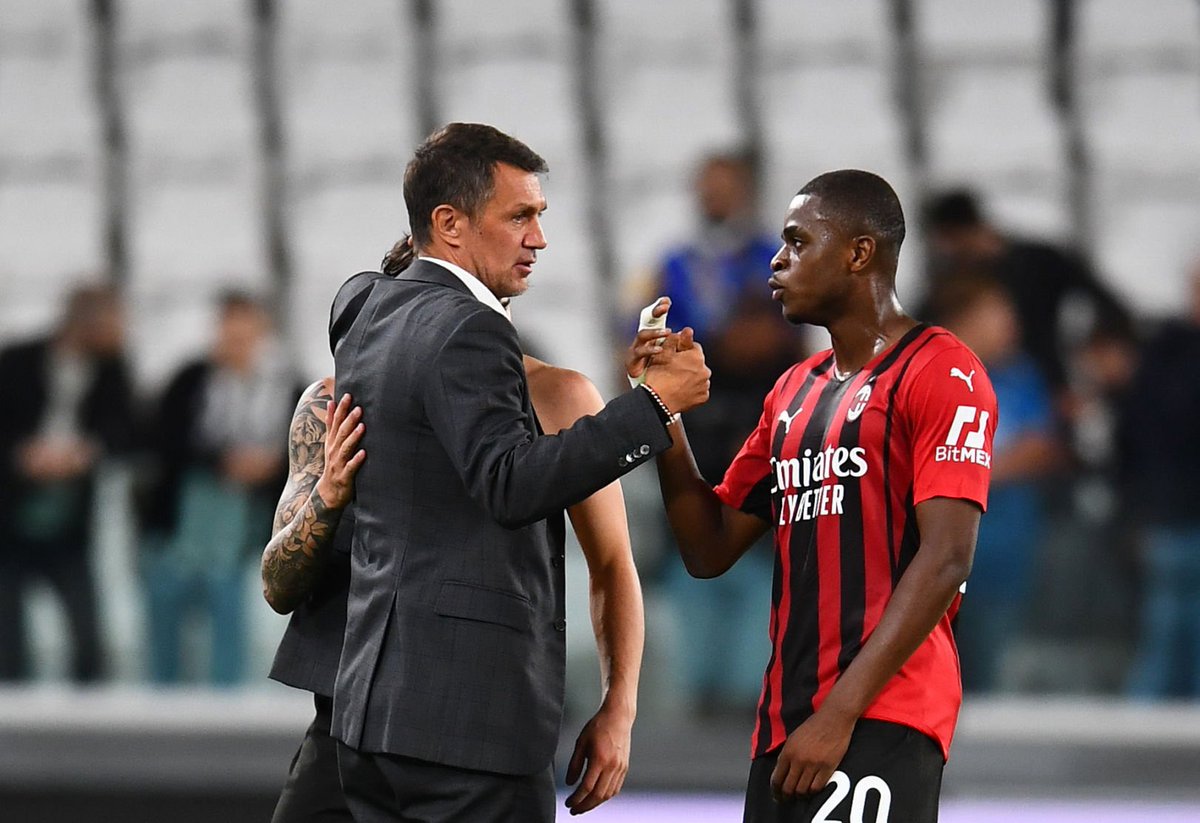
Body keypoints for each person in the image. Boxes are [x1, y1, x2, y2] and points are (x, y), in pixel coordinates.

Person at [330, 123, 710, 822]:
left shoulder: (361, 306)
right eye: (519, 217)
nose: (539, 238)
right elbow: (509, 483)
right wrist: (654, 406)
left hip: (368, 718)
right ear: (449, 224)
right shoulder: (472, 331)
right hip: (467, 728)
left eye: (540, 215)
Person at [629, 170, 996, 822]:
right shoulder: (792, 391)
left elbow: (946, 558)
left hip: (881, 717)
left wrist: (839, 713)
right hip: (787, 725)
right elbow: (708, 547)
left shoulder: (943, 370)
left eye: (798, 242)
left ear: (859, 253)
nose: (776, 261)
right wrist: (662, 411)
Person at [264, 243, 650, 821]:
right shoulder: (332, 404)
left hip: (481, 723)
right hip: (351, 721)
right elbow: (277, 585)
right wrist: (328, 494)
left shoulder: (559, 397)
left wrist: (619, 708)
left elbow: (613, 562)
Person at [646, 153, 801, 716]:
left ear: (746, 191)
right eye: (705, 187)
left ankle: (746, 702)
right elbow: (645, 340)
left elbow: (788, 341)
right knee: (692, 578)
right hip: (695, 441)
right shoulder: (673, 263)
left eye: (723, 187)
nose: (712, 198)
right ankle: (695, 704)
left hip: (762, 444)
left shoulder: (774, 258)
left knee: (758, 587)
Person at [140, 291, 297, 685]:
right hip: (180, 528)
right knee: (165, 629)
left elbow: (304, 451)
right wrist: (222, 461)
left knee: (230, 626)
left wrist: (269, 466)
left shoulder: (287, 387)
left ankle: (226, 703)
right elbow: (163, 441)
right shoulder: (190, 380)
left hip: (242, 530)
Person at [931, 275, 1059, 693]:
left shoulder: (1021, 376)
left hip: (1005, 560)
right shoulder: (929, 376)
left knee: (994, 682)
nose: (1011, 326)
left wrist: (968, 474)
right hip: (931, 568)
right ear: (962, 319)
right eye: (998, 315)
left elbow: (1040, 448)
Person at [0, 283, 134, 682]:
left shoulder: (112, 371)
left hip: (70, 523)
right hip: (11, 519)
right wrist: (23, 455)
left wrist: (85, 452)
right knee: (8, 637)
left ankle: (90, 706)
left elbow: (128, 430)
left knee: (87, 635)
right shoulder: (17, 362)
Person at [922, 188, 1132, 399]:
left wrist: (1109, 340)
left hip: (1055, 379)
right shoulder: (955, 281)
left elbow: (1101, 299)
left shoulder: (1039, 262)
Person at [1121, 260, 1200, 698]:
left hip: (1168, 513)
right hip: (1172, 517)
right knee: (1165, 633)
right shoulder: (1167, 355)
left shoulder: (1161, 354)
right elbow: (1142, 439)